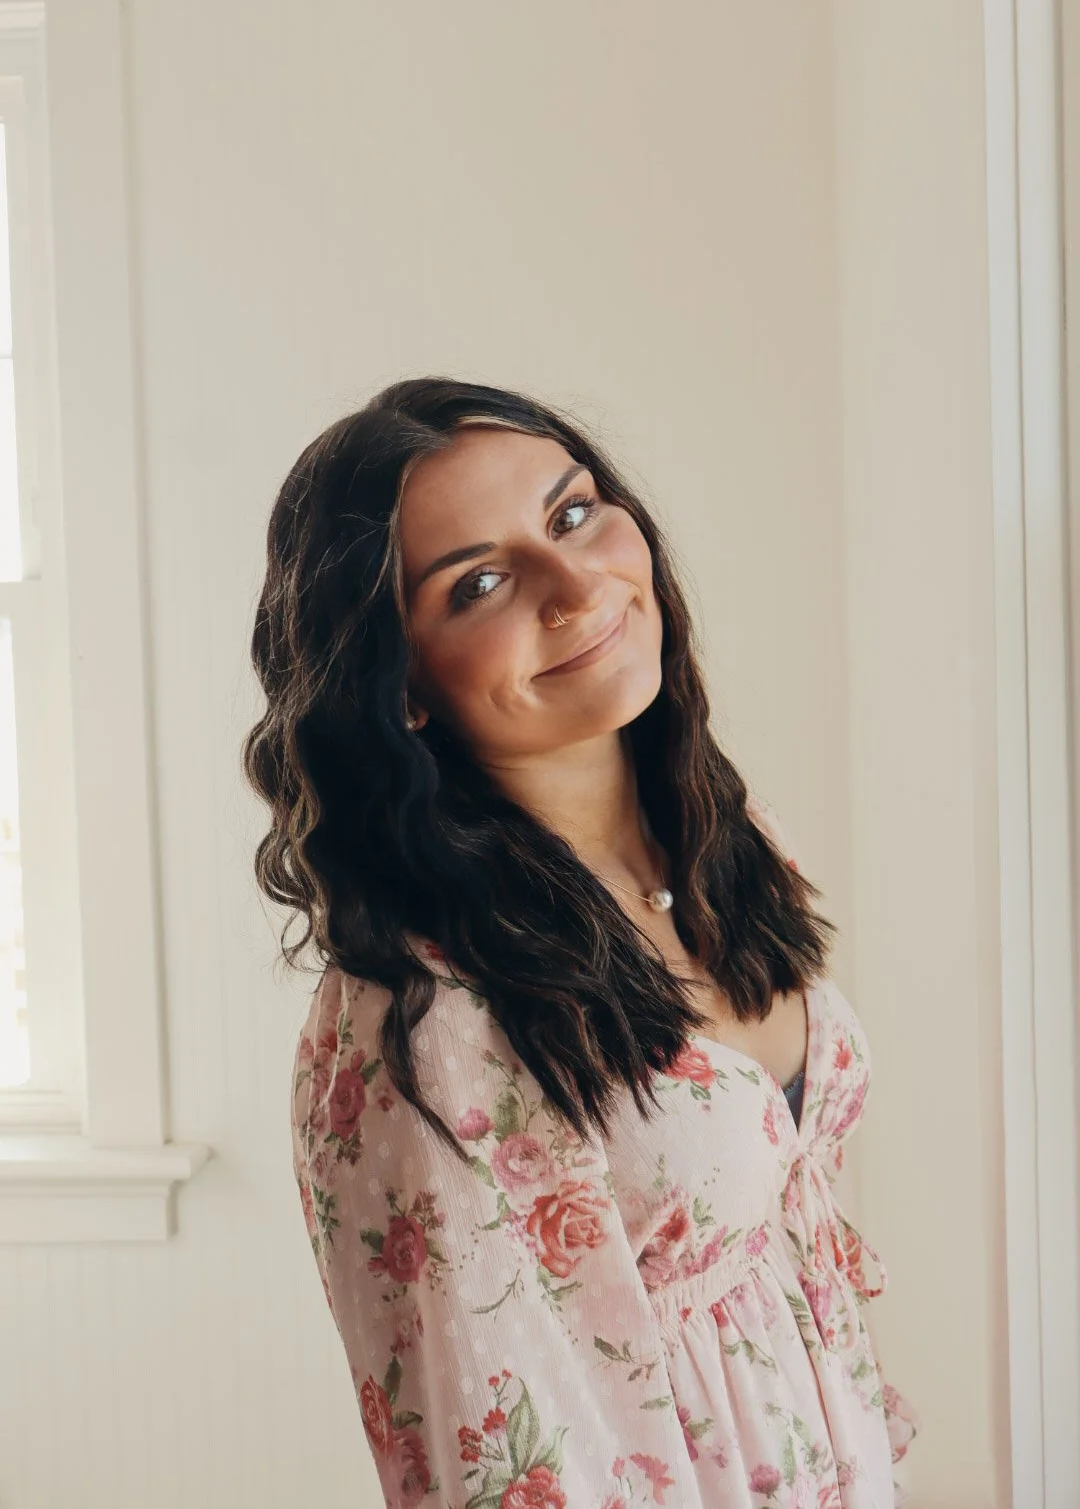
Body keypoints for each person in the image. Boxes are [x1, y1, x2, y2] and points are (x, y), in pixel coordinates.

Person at [243, 378, 919, 1508]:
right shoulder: (421, 1023)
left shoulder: (732, 844)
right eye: (482, 582)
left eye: (571, 514)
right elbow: (501, 1464)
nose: (576, 586)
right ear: (399, 680)